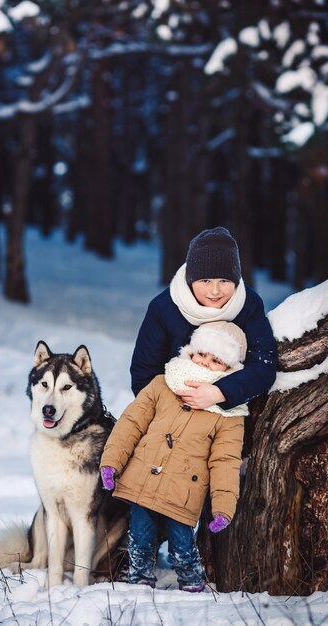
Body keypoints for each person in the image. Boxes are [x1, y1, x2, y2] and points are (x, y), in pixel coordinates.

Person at [100, 321, 248, 592]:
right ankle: (139, 578)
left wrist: (223, 507)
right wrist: (111, 463)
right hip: (141, 480)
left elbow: (225, 461)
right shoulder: (162, 384)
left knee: (182, 543)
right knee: (141, 537)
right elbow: (131, 424)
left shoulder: (230, 413)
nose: (205, 362)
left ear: (229, 370)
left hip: (183, 492)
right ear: (190, 352)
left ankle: (191, 580)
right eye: (202, 353)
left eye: (216, 360)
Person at [130, 227, 277, 410]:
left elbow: (264, 366)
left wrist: (220, 392)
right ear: (191, 281)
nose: (215, 291)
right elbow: (144, 373)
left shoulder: (249, 305)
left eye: (224, 281)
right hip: (170, 412)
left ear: (236, 281)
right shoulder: (163, 308)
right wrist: (177, 410)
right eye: (206, 281)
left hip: (229, 412)